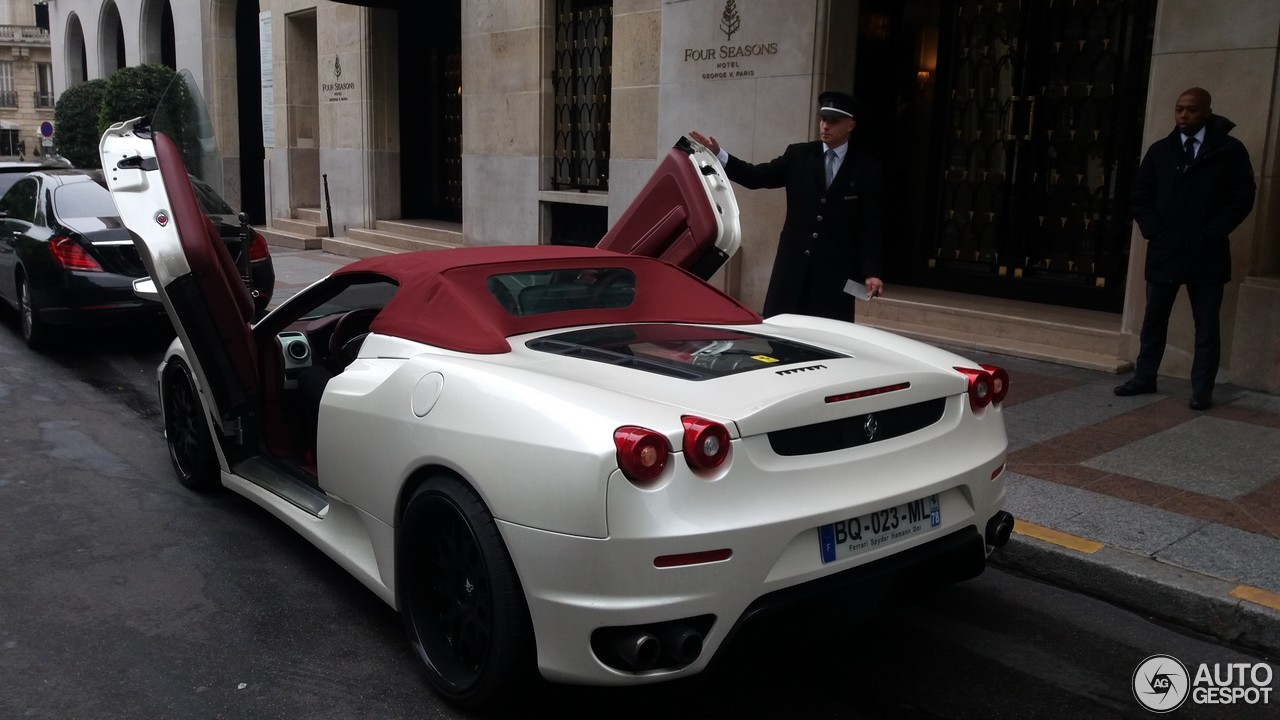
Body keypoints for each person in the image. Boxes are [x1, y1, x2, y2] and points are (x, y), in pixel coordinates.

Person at [1115, 87, 1256, 410]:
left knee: (1206, 323)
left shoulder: (1229, 151)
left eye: (1191, 110)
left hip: (1207, 252)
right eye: (1179, 109)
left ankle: (1202, 388)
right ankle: (1144, 376)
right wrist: (1154, 230)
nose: (1183, 115)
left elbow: (1241, 198)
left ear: (1206, 112)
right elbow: (1140, 193)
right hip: (1166, 248)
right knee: (1154, 319)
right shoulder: (1161, 151)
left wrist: (1211, 233)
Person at [690, 90, 884, 321]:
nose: (825, 126)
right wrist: (719, 155)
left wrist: (872, 271)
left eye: (833, 122)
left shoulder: (867, 169)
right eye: (823, 120)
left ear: (850, 125)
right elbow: (756, 176)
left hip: (833, 275)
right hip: (791, 270)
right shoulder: (798, 155)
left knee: (825, 341)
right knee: (781, 338)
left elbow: (870, 225)